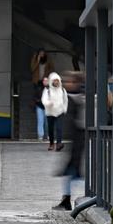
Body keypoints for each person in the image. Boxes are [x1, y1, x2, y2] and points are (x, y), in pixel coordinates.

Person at [53, 72, 86, 211]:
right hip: (76, 138)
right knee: (72, 172)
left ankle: (71, 198)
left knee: (75, 171)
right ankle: (66, 199)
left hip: (80, 138)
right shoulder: (75, 97)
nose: (66, 83)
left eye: (69, 81)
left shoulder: (77, 98)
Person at [42, 72, 68, 151]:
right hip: (50, 112)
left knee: (59, 128)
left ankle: (59, 144)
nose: (56, 82)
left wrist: (64, 109)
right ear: (51, 81)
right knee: (50, 129)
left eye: (57, 80)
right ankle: (51, 143)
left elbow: (65, 100)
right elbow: (44, 99)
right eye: (54, 80)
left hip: (59, 112)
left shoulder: (63, 90)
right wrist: (48, 103)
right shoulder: (47, 90)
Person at [34, 76, 48, 142]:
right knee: (40, 121)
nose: (45, 82)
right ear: (42, 82)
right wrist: (39, 101)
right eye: (44, 80)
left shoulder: (51, 89)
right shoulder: (39, 88)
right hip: (40, 106)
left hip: (48, 107)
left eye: (47, 80)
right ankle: (40, 136)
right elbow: (35, 97)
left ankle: (47, 135)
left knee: (47, 122)